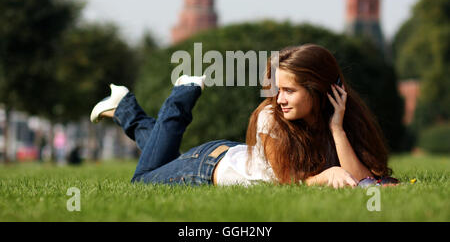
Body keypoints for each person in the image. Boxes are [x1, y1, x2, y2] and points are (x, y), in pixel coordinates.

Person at [90, 44, 397, 188]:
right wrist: (325, 177)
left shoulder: (342, 118)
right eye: (277, 88)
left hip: (231, 155)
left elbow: (363, 180)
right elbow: (285, 183)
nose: (279, 98)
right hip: (206, 168)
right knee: (142, 180)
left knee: (161, 158)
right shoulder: (270, 117)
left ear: (319, 91)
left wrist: (337, 129)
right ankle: (182, 95)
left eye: (289, 90)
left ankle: (124, 108)